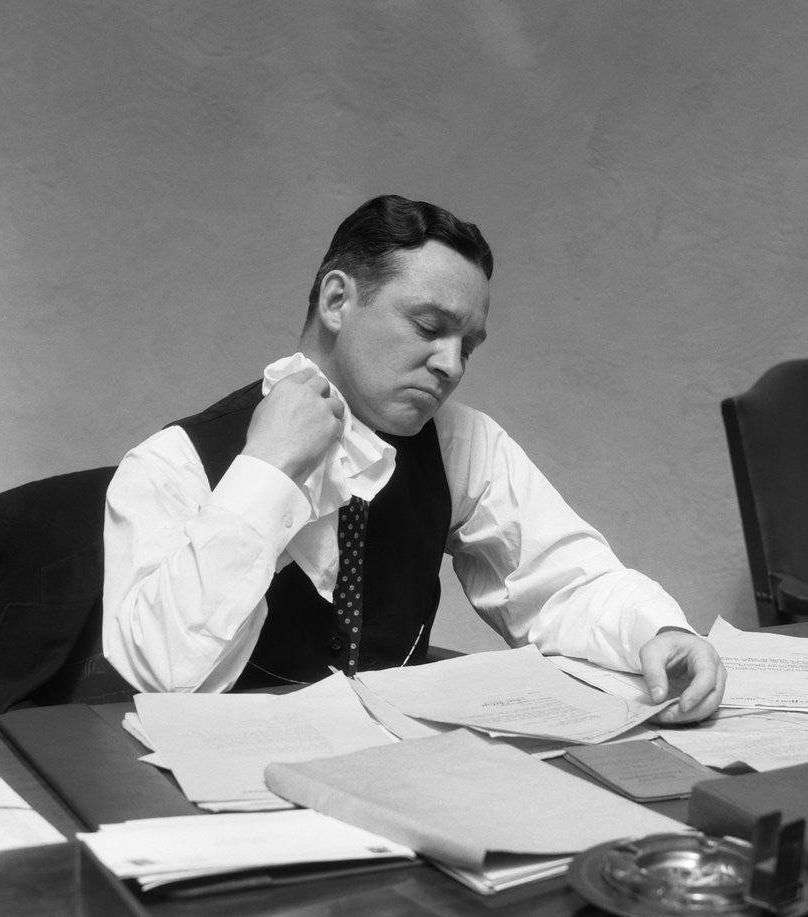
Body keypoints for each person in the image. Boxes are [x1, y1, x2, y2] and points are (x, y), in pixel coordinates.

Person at [102, 194, 725, 724]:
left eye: (468, 347)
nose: (451, 366)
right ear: (337, 301)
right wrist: (267, 473)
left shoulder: (460, 443)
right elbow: (163, 679)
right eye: (430, 329)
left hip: (399, 769)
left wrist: (658, 631)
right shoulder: (172, 463)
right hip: (222, 793)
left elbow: (564, 582)